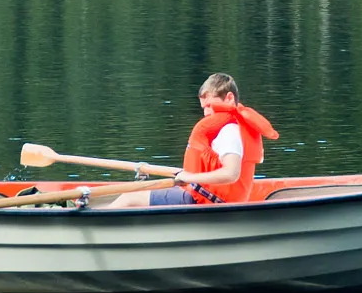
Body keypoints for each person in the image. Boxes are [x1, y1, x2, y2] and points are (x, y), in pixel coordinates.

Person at [107, 73, 279, 208]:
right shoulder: (234, 128)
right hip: (205, 195)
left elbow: (231, 174)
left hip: (208, 201)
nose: (206, 113)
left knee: (130, 197)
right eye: (204, 108)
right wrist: (189, 177)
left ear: (229, 99)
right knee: (146, 192)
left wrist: (190, 176)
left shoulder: (229, 131)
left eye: (210, 106)